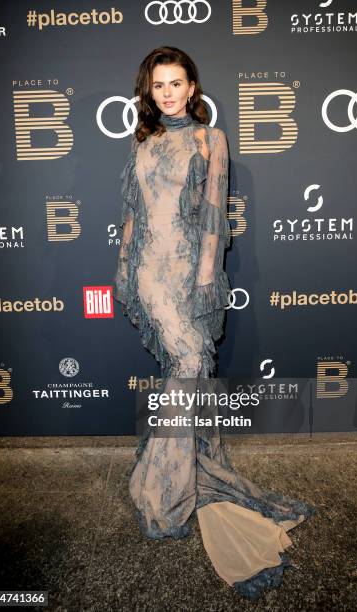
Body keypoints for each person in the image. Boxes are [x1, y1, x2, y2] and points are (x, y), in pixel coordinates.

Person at [113, 46, 315, 601]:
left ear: (193, 87)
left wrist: (206, 280)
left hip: (190, 275)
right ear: (149, 92)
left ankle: (172, 474)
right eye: (159, 86)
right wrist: (125, 269)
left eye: (177, 83)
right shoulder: (144, 141)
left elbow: (212, 214)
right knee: (187, 365)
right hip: (151, 275)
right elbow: (133, 213)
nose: (169, 93)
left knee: (193, 366)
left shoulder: (211, 139)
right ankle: (168, 486)